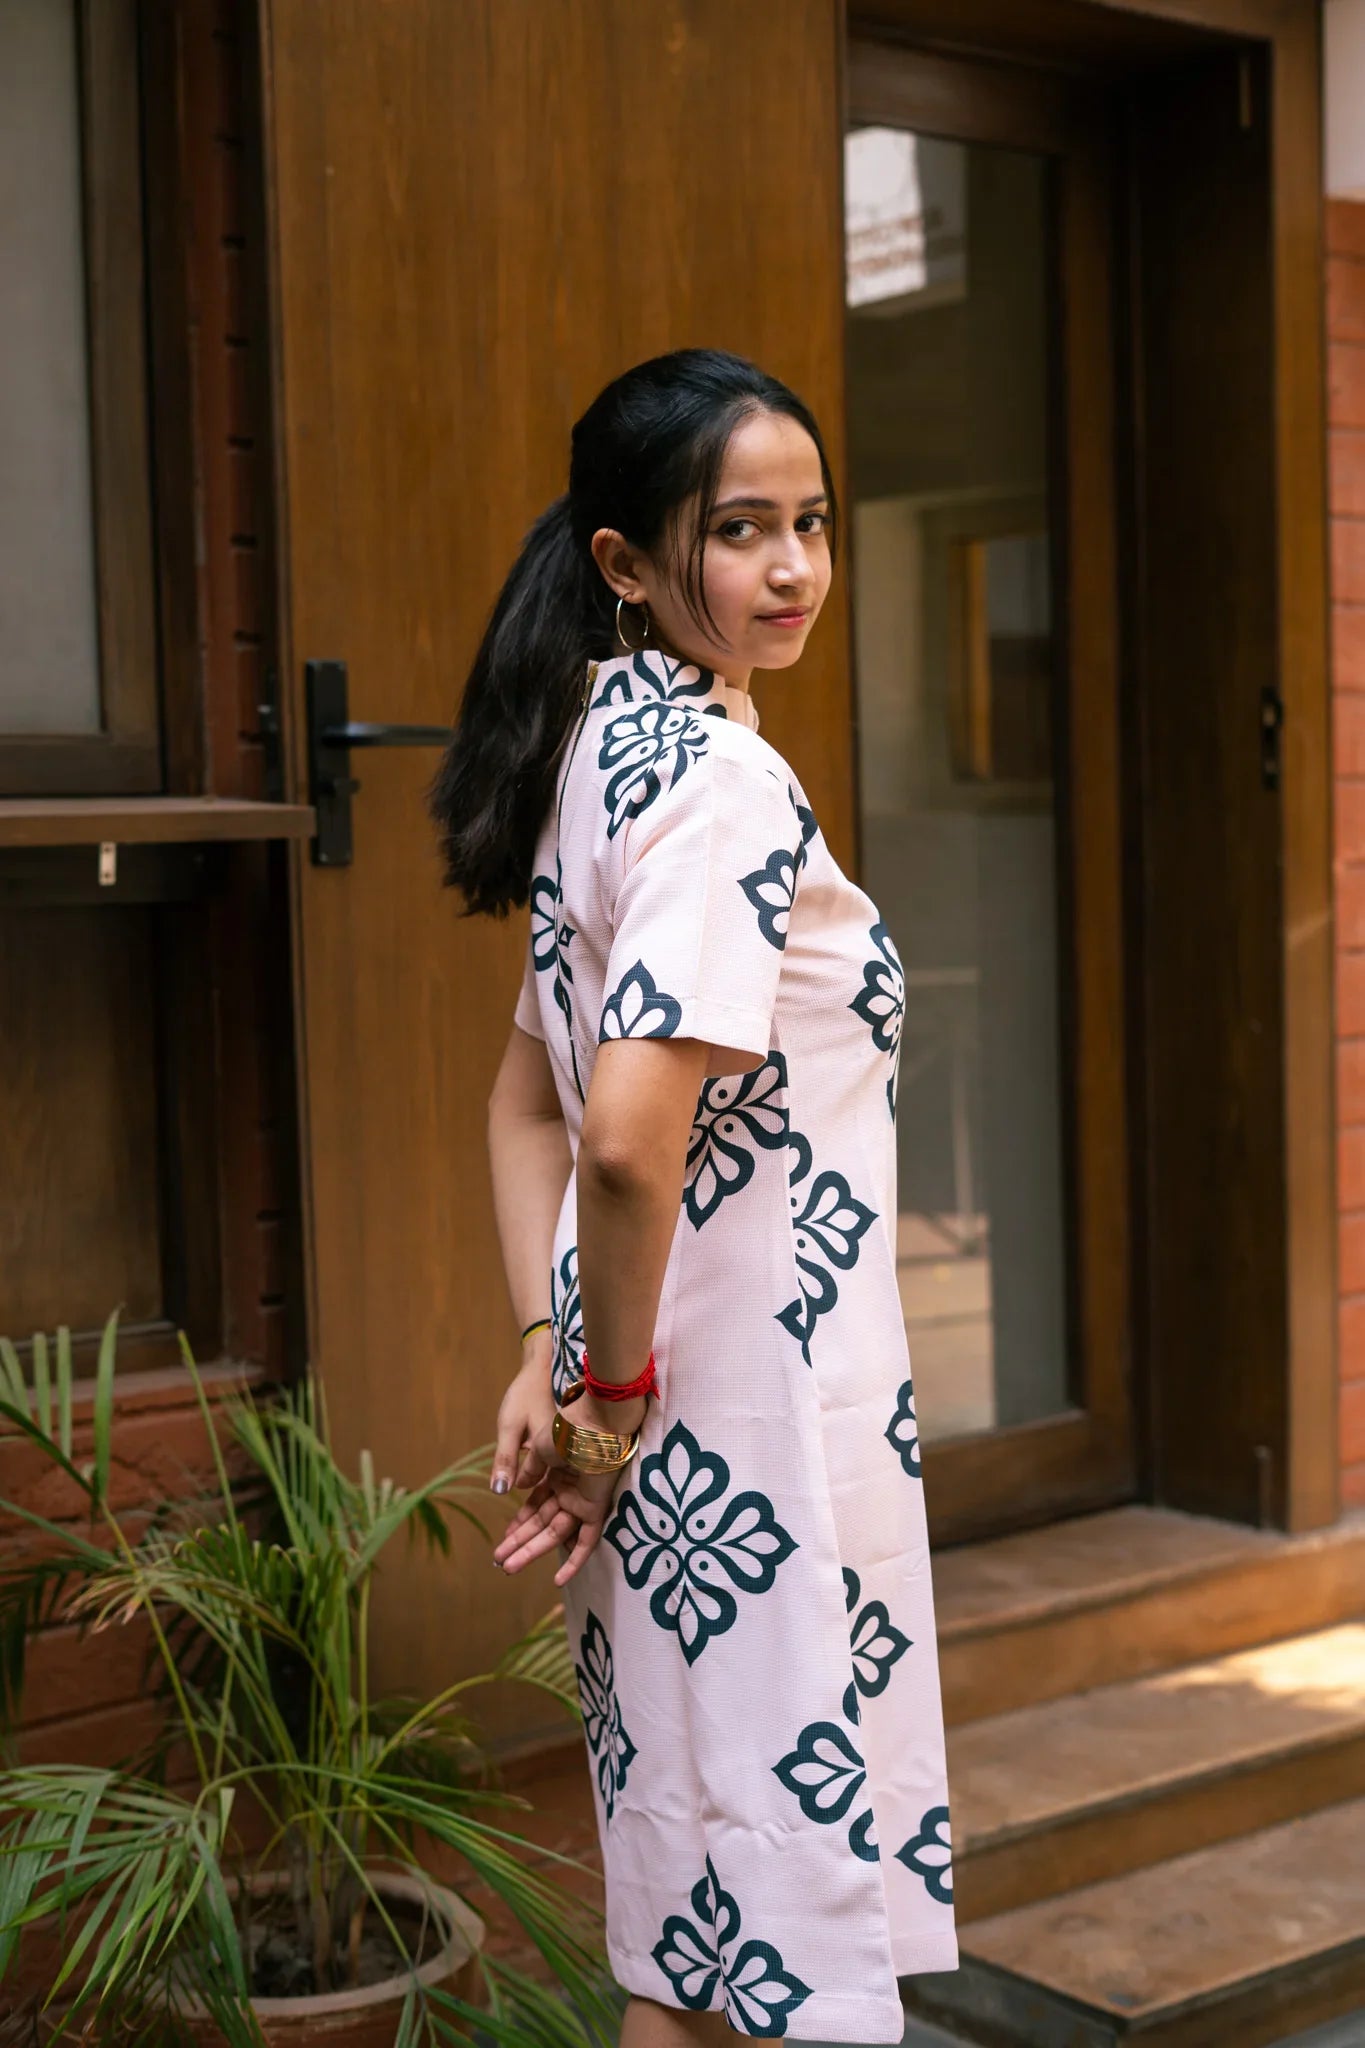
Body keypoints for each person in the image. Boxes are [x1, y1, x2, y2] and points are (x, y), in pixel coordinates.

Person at [428, 349, 957, 2046]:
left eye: (808, 522)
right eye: (741, 530)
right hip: (740, 1431)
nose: (793, 565)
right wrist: (602, 1402)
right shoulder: (722, 784)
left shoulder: (605, 749)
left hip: (654, 1435)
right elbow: (617, 1138)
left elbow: (527, 1105)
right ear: (627, 563)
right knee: (771, 1950)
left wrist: (552, 1353)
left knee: (694, 1946)